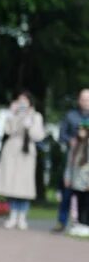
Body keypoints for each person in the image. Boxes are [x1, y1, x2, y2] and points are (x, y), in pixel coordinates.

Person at [0, 91, 46, 230]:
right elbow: (8, 131)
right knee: (12, 184)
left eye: (24, 101)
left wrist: (29, 124)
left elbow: (38, 136)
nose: (22, 103)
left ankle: (22, 216)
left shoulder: (36, 116)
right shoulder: (13, 114)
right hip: (12, 152)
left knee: (25, 185)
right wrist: (12, 115)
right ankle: (13, 215)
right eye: (19, 101)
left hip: (26, 154)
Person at [54, 88, 89, 232]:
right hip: (72, 159)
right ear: (78, 100)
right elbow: (62, 135)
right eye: (83, 99)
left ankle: (83, 223)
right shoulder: (70, 116)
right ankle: (61, 222)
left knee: (85, 195)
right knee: (67, 192)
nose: (86, 102)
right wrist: (70, 141)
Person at [64, 121, 89, 226]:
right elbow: (70, 164)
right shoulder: (76, 145)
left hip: (86, 181)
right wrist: (67, 177)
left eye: (82, 129)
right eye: (79, 129)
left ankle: (86, 225)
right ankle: (80, 224)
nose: (80, 131)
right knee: (79, 204)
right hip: (77, 181)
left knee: (86, 204)